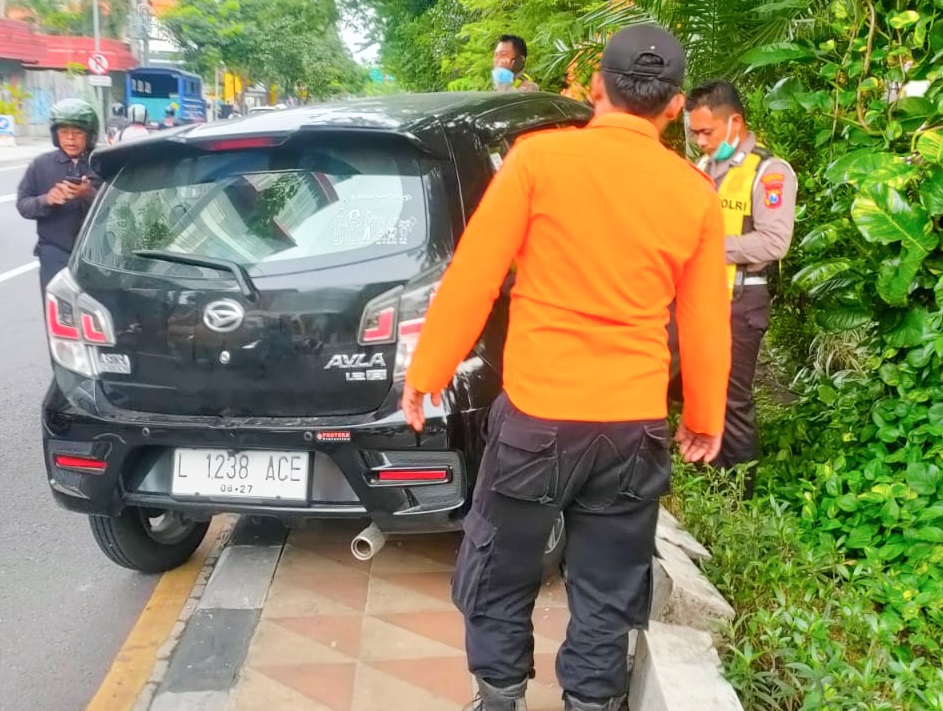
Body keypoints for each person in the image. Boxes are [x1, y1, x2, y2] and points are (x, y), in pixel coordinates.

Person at [401, 23, 731, 711]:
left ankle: (498, 696)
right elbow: (703, 320)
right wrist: (703, 416)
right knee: (609, 583)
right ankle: (589, 702)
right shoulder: (693, 194)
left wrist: (426, 373)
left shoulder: (535, 160)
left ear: (593, 89)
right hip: (630, 428)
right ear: (673, 108)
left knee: (498, 562)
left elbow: (474, 276)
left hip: (536, 419)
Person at [685, 79, 797, 485]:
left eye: (707, 132)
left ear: (735, 123)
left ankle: (739, 491)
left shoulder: (770, 172)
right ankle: (710, 479)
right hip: (699, 303)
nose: (700, 141)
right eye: (694, 132)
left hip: (740, 303)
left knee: (731, 401)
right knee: (700, 393)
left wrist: (706, 248)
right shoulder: (701, 169)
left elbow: (773, 242)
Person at [16, 98, 102, 298]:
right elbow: (23, 205)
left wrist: (89, 194)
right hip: (54, 255)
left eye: (78, 132)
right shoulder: (40, 165)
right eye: (64, 132)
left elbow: (120, 211)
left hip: (96, 257)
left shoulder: (103, 163)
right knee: (58, 317)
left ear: (89, 135)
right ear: (56, 135)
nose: (70, 139)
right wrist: (47, 200)